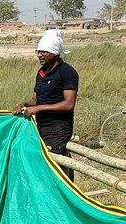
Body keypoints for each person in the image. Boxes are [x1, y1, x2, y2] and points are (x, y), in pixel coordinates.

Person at [13, 29, 78, 174]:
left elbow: (69, 104)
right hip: (40, 125)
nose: (40, 55)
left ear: (55, 53)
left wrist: (39, 109)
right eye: (38, 51)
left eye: (44, 51)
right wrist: (24, 104)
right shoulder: (41, 72)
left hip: (58, 128)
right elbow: (35, 100)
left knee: (51, 166)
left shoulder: (67, 72)